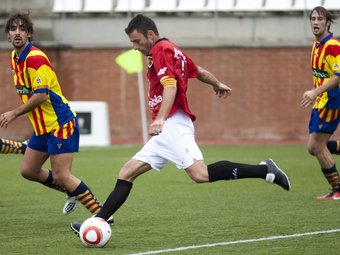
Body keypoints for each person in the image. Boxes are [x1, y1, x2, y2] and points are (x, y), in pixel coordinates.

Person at [70, 14, 291, 234]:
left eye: (137, 41)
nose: (135, 47)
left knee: (200, 174)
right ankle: (99, 221)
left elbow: (171, 86)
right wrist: (217, 83)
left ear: (150, 34)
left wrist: (160, 119)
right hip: (166, 128)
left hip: (172, 123)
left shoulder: (161, 50)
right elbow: (199, 71)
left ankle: (264, 170)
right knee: (127, 172)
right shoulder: (172, 49)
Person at [0, 12, 102, 216]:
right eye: (13, 29)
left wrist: (14, 113)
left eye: (22, 29)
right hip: (42, 127)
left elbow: (41, 96)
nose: (17, 33)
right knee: (28, 171)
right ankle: (26, 150)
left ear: (29, 34)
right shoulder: (14, 57)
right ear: (8, 35)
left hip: (60, 123)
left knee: (62, 175)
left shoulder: (35, 59)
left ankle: (102, 216)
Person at [301, 6, 340, 200]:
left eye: (319, 19)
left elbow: (338, 76)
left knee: (316, 146)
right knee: (313, 147)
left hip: (332, 101)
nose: (315, 22)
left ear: (328, 23)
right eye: (313, 18)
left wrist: (315, 91)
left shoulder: (332, 45)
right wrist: (314, 94)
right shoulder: (316, 44)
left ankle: (338, 189)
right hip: (321, 101)